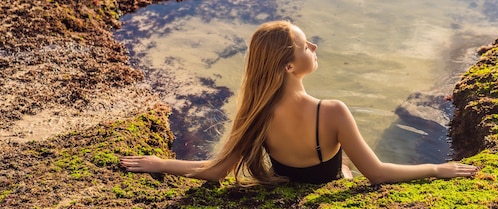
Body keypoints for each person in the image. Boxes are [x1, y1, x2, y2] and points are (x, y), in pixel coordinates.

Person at [121, 20, 478, 185]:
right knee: (347, 163)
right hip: (331, 179)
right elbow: (378, 173)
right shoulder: (332, 110)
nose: (315, 47)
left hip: (285, 181)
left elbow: (217, 170)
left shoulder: (255, 114)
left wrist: (161, 163)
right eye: (306, 44)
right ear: (289, 65)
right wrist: (436, 169)